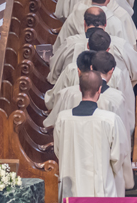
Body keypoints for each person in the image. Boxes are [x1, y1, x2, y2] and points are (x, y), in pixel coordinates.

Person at [52, 71, 129, 199]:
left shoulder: (62, 118)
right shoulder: (110, 120)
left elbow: (58, 151)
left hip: (71, 188)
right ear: (99, 90)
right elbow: (119, 155)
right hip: (101, 189)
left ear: (79, 88)